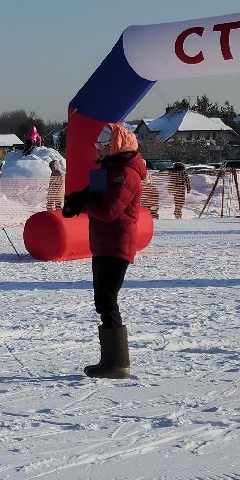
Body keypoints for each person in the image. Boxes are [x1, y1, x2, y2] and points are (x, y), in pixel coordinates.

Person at [59, 122, 147, 379]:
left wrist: (86, 201)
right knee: (102, 300)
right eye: (97, 146)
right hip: (102, 243)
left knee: (108, 300)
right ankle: (111, 360)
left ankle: (117, 362)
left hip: (117, 244)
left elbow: (108, 211)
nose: (97, 150)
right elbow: (93, 197)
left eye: (103, 146)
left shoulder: (126, 174)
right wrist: (77, 201)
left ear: (116, 146)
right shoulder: (106, 171)